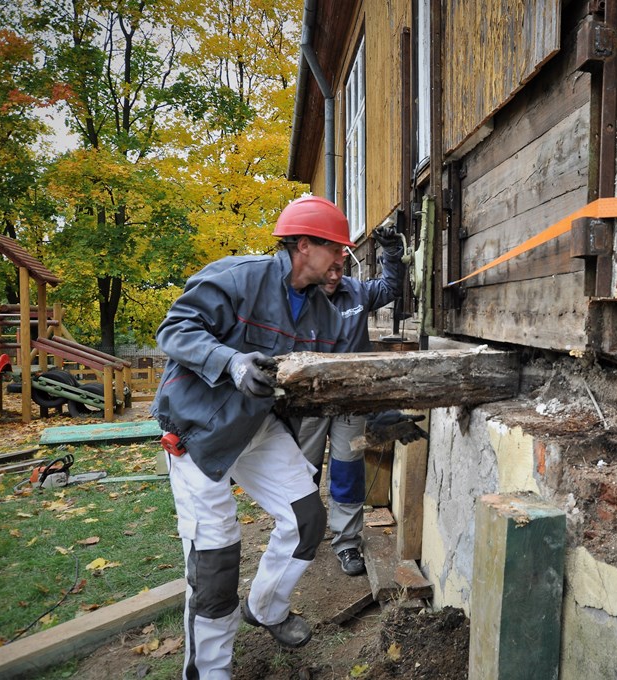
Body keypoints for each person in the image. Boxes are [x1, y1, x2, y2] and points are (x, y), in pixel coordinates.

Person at [151, 195, 353, 678]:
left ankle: (266, 609)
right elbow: (174, 330)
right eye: (336, 249)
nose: (342, 259)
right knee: (216, 562)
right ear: (303, 245)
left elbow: (321, 384)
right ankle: (210, 672)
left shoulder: (322, 316)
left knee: (306, 521)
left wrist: (379, 413)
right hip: (200, 431)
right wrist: (231, 361)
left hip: (258, 428)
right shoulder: (239, 277)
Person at [298, 224, 426, 576]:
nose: (335, 277)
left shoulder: (355, 291)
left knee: (347, 471)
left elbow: (388, 287)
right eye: (329, 270)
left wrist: (391, 254)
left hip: (351, 403)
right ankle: (299, 537)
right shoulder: (297, 299)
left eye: (340, 269)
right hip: (309, 403)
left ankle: (348, 542)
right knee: (301, 473)